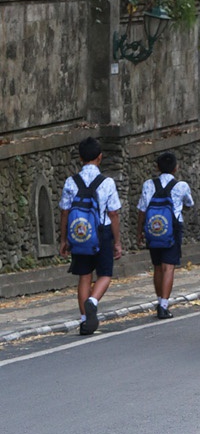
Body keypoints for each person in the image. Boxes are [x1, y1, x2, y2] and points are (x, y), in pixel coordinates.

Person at [59, 135, 123, 336]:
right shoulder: (107, 182)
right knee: (105, 274)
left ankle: (85, 321)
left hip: (79, 233)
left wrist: (63, 239)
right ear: (100, 157)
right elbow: (113, 213)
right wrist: (117, 242)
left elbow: (64, 212)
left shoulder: (71, 182)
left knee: (84, 276)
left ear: (80, 158)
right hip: (101, 232)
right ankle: (93, 302)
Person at [136, 150, 194, 319]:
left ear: (157, 167)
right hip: (173, 229)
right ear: (176, 168)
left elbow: (142, 209)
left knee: (157, 266)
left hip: (153, 229)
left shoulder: (148, 184)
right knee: (168, 267)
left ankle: (159, 299)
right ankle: (163, 305)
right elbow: (189, 203)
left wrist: (139, 231)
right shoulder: (181, 186)